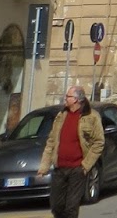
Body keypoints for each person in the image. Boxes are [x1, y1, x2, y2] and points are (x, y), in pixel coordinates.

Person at [37, 86, 103, 218]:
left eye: (68, 97)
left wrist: (85, 165)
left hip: (77, 169)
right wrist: (44, 167)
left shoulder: (92, 117)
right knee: (56, 205)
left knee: (71, 207)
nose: (65, 99)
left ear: (77, 100)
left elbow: (99, 142)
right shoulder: (61, 116)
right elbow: (51, 142)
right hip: (60, 168)